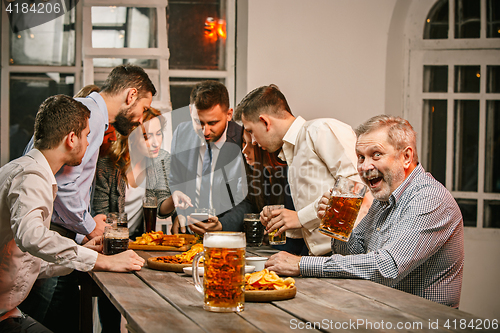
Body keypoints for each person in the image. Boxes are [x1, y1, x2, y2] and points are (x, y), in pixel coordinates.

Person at [265, 115, 465, 308]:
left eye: (376, 155)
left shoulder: (429, 199)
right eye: (360, 157)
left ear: (406, 157)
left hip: (423, 322)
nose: (364, 166)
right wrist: (337, 223)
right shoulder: (383, 198)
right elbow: (353, 252)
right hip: (382, 312)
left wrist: (302, 264)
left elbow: (386, 268)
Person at [20, 65, 156, 332]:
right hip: (51, 234)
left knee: (66, 319)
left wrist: (83, 232)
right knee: (44, 319)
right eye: (143, 108)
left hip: (61, 232)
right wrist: (89, 226)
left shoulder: (89, 112)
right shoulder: (89, 117)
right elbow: (65, 184)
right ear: (131, 95)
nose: (141, 119)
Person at [235, 84, 371, 255]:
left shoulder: (320, 129)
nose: (253, 141)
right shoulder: (291, 151)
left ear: (265, 122)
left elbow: (356, 186)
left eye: (251, 131)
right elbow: (314, 224)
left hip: (347, 254)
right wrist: (283, 221)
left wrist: (299, 218)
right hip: (320, 256)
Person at [169, 80, 251, 234]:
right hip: (188, 236)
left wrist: (222, 225)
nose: (205, 131)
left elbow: (249, 201)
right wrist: (178, 214)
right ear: (190, 111)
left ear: (229, 114)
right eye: (198, 122)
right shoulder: (181, 133)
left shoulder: (244, 139)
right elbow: (176, 182)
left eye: (213, 123)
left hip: (228, 236)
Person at [93, 107, 177, 239]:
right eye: (147, 137)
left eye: (159, 133)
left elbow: (161, 209)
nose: (156, 143)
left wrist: (174, 198)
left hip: (139, 241)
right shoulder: (107, 165)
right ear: (131, 138)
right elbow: (101, 216)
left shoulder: (162, 160)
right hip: (110, 241)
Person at [239, 128, 308, 255]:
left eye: (252, 144)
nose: (244, 150)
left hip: (295, 255)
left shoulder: (290, 175)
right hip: (273, 251)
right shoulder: (258, 176)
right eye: (244, 142)